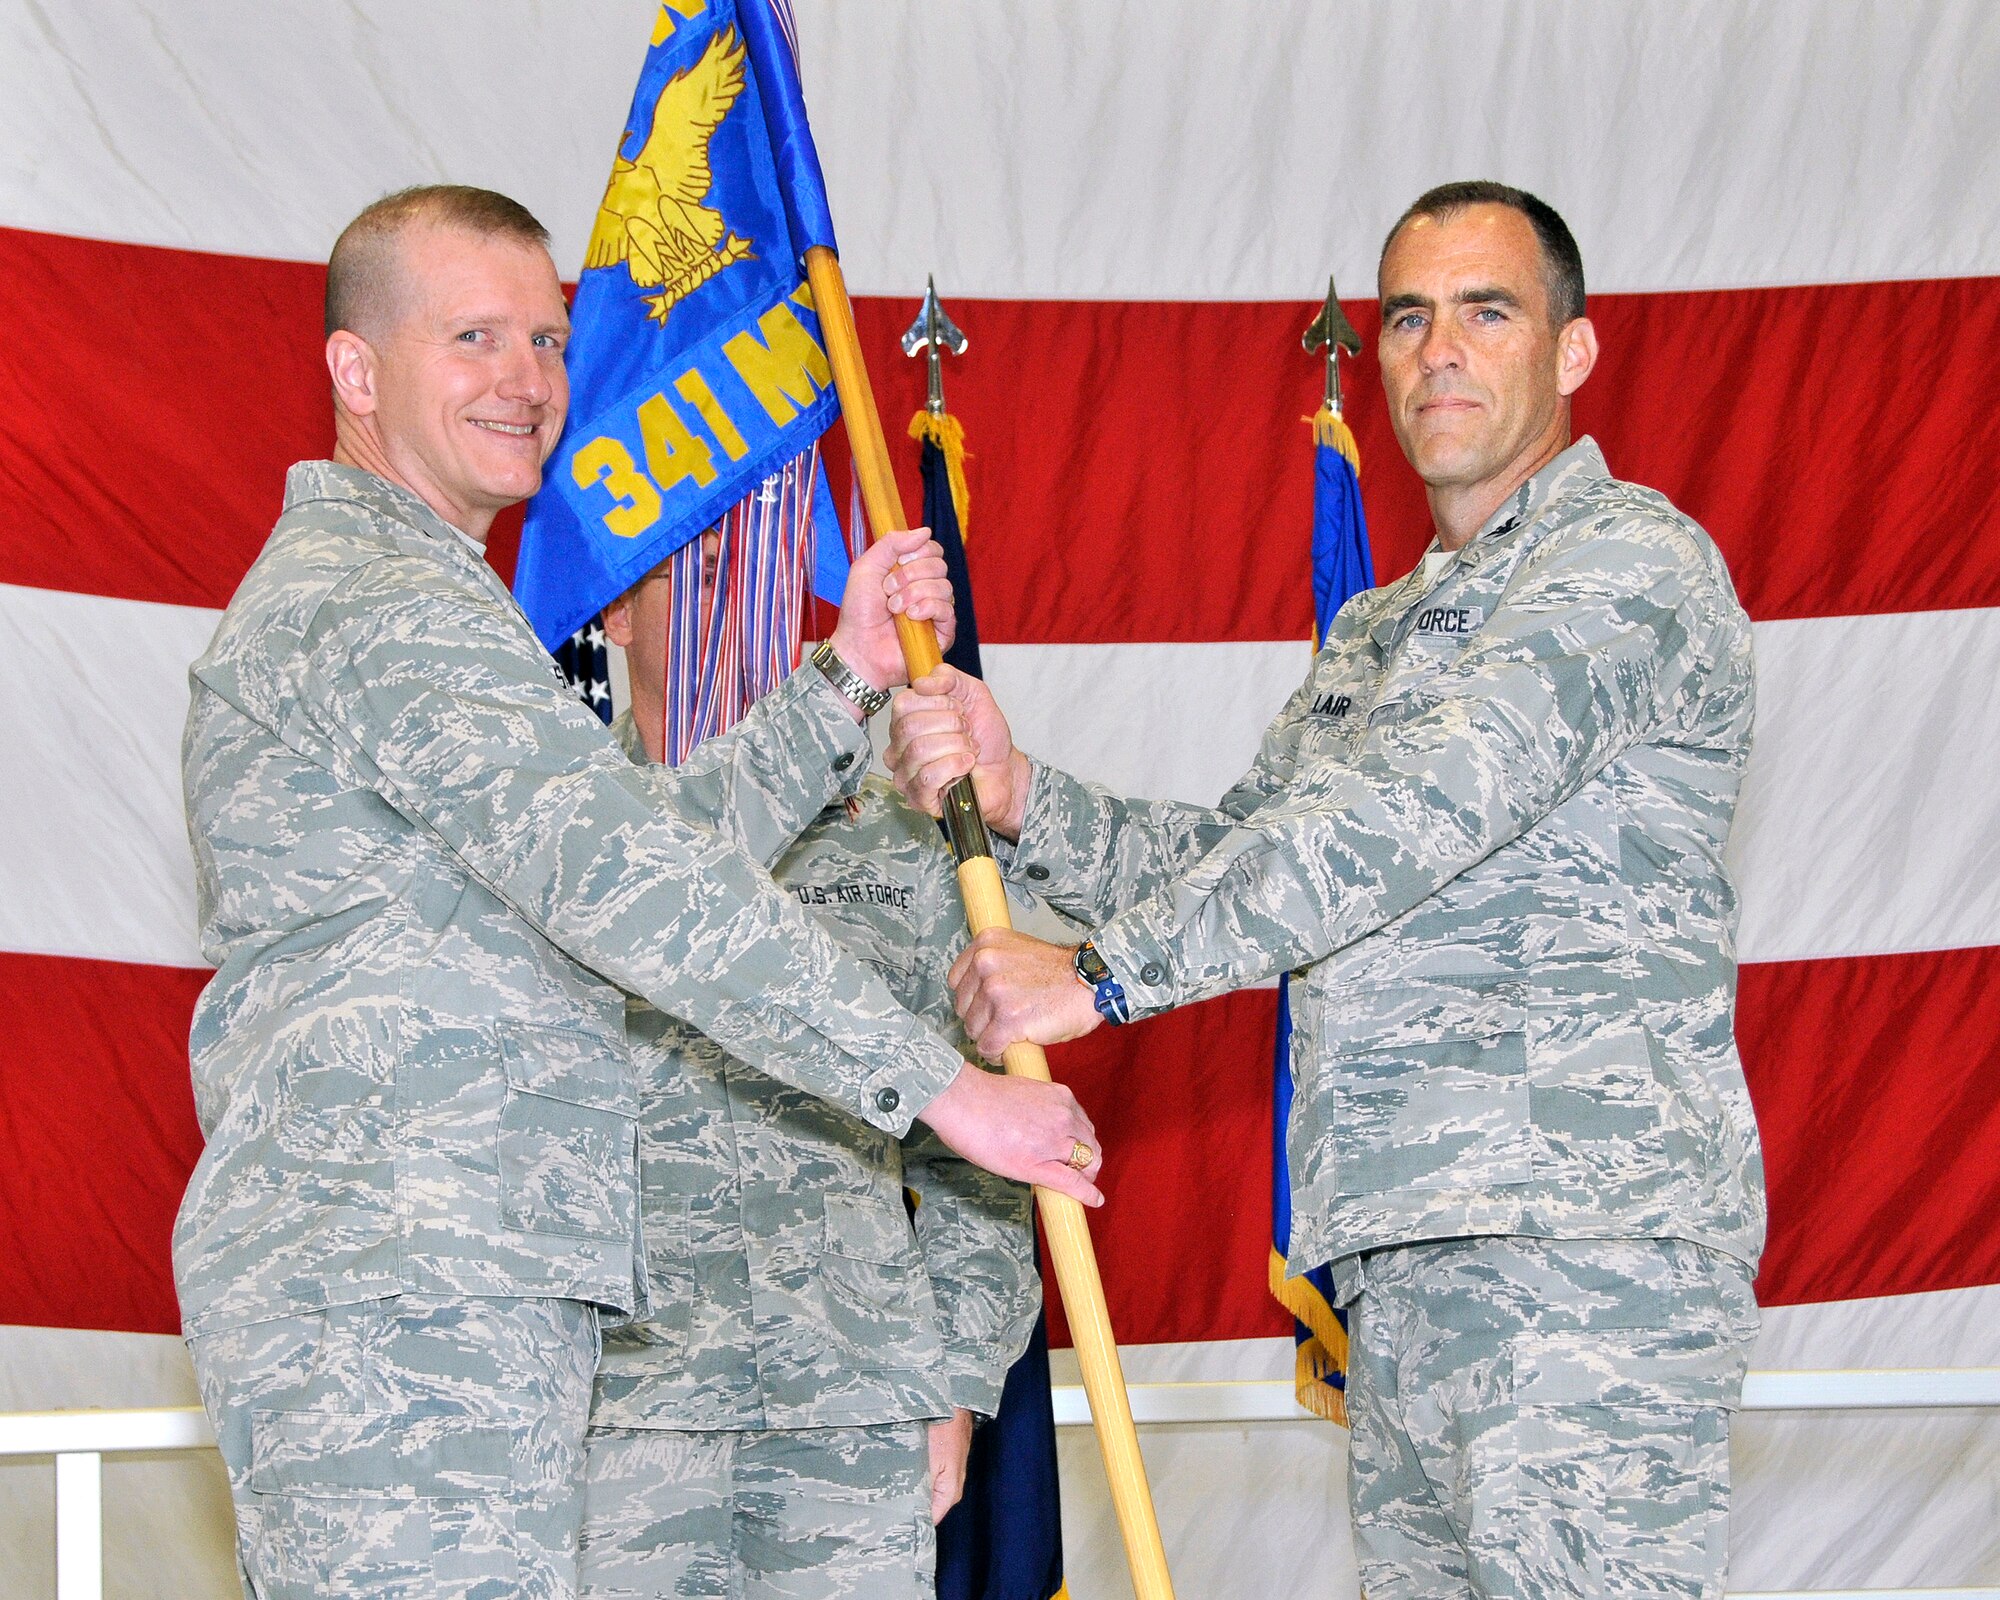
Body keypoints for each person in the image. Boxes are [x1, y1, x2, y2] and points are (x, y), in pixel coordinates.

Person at [178, 184, 1099, 1600]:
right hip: (403, 1288)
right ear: (355, 372)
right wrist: (943, 1092)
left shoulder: (427, 598)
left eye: (546, 341)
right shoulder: (373, 600)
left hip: (461, 1277)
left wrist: (840, 677)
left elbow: (635, 840)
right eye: (472, 337)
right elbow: (625, 881)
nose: (529, 382)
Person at [887, 181, 1764, 1600]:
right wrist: (1023, 790)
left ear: (1574, 352)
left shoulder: (1628, 564)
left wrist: (1102, 974)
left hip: (1579, 1247)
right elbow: (1251, 850)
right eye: (1410, 317)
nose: (1439, 352)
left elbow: (1410, 817)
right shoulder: (1379, 631)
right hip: (1409, 1252)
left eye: (1488, 311)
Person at [573, 546, 1039, 1598]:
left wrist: (957, 1377)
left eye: (752, 581)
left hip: (853, 1401)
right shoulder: (565, 840)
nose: (727, 611)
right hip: (623, 1407)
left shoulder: (896, 840)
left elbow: (977, 1127)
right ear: (617, 617)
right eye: (688, 579)